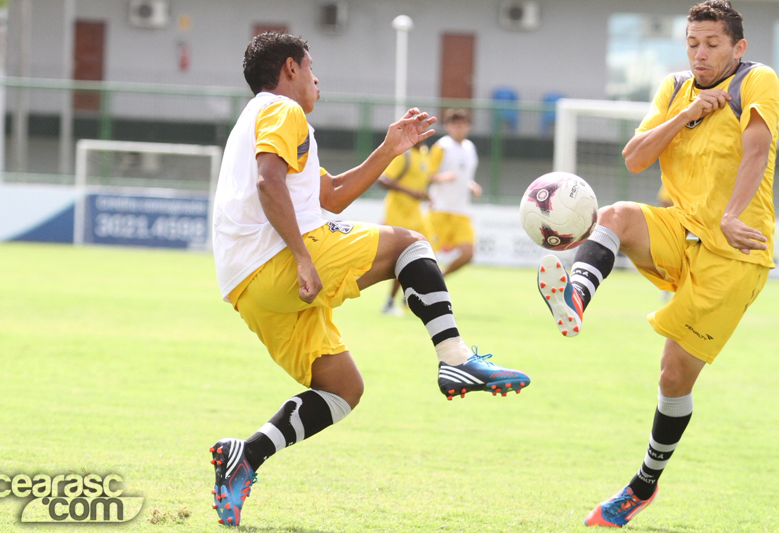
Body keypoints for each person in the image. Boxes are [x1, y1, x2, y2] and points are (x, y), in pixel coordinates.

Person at [209, 32, 531, 527]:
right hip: (276, 260)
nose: (317, 79)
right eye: (311, 67)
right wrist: (302, 258)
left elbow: (332, 196)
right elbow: (267, 183)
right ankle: (456, 361)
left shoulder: (257, 121)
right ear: (291, 69)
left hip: (247, 287)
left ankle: (245, 456)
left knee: (342, 389)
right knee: (411, 244)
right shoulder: (282, 109)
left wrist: (389, 148)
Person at [536, 1, 778, 527]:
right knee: (617, 215)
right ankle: (574, 297)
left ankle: (643, 485)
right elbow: (635, 158)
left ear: (738, 47)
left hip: (736, 253)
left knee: (673, 376)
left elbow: (757, 151)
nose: (700, 53)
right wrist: (687, 114)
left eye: (712, 44)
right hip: (681, 228)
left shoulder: (758, 81)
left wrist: (732, 215)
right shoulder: (674, 89)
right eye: (692, 43)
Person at [377, 139, 433, 315]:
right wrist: (410, 193)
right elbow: (383, 180)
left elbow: (419, 180)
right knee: (404, 258)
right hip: (398, 214)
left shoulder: (424, 153)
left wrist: (424, 194)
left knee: (422, 256)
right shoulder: (404, 155)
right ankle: (391, 302)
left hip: (415, 214)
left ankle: (408, 299)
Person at [427, 108, 482, 276]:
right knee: (426, 256)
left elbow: (463, 176)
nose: (459, 128)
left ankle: (440, 278)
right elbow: (426, 175)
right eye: (455, 125)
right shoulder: (442, 147)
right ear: (447, 126)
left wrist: (471, 185)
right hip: (440, 209)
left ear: (469, 127)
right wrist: (440, 177)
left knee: (468, 254)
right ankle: (412, 288)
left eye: (463, 124)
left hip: (461, 211)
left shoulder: (470, 148)